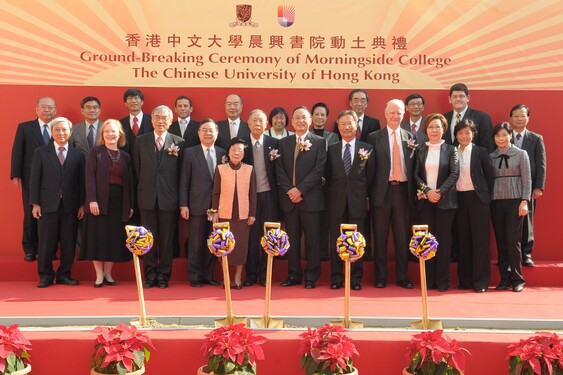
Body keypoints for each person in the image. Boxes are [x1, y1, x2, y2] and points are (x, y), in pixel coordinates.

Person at [29, 117, 85, 288]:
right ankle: (45, 275)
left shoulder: (78, 154)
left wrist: (82, 204)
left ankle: (64, 274)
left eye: (64, 130)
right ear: (52, 133)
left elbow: (81, 182)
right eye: (57, 130)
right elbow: (34, 179)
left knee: (69, 243)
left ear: (70, 132)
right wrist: (35, 203)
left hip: (71, 206)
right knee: (46, 242)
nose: (61, 133)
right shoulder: (40, 152)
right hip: (47, 205)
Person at [275, 105, 327, 289]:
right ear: (292, 121)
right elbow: (279, 169)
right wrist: (291, 190)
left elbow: (319, 169)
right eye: (296, 117)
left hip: (311, 199)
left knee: (312, 240)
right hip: (290, 200)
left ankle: (312, 276)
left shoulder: (320, 142)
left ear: (310, 120)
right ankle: (294, 274)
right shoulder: (284, 143)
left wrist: (301, 190)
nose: (300, 121)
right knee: (292, 239)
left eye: (304, 117)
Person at [133, 105, 185, 289]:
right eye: (157, 117)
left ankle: (164, 275)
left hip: (168, 198)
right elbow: (136, 171)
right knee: (147, 237)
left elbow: (181, 174)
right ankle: (150, 274)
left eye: (165, 117)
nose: (161, 121)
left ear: (171, 121)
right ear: (152, 120)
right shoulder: (141, 141)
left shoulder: (179, 142)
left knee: (167, 239)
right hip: (146, 197)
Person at [79, 119, 134, 287]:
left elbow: (130, 182)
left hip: (119, 203)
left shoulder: (125, 156)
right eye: (107, 131)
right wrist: (92, 200)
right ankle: (99, 276)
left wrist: (130, 205)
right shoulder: (95, 152)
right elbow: (89, 178)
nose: (110, 134)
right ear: (102, 135)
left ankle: (109, 274)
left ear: (120, 135)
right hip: (99, 202)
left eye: (114, 131)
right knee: (98, 238)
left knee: (113, 239)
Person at [367, 99, 415, 289]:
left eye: (399, 113)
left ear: (404, 115)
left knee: (402, 236)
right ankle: (380, 277)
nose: (395, 116)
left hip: (403, 192)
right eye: (392, 113)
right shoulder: (374, 137)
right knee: (380, 236)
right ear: (385, 114)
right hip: (382, 192)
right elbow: (369, 170)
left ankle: (403, 276)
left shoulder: (410, 137)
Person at [326, 110, 374, 290]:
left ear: (356, 126)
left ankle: (355, 278)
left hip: (358, 201)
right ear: (338, 127)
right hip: (336, 202)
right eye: (342, 124)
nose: (346, 127)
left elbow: (371, 177)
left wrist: (367, 198)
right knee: (337, 240)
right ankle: (337, 277)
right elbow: (328, 176)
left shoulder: (367, 149)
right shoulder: (331, 149)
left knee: (357, 239)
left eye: (349, 124)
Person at [414, 113, 460, 292]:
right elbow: (415, 174)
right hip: (425, 202)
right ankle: (428, 280)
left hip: (445, 202)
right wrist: (427, 191)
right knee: (426, 241)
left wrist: (439, 193)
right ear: (426, 129)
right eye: (431, 127)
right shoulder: (420, 150)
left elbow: (454, 174)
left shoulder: (451, 150)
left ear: (443, 129)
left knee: (443, 241)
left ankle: (442, 281)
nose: (434, 130)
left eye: (438, 127)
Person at [180, 119, 227, 288]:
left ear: (216, 134)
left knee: (212, 241)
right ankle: (194, 276)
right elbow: (184, 180)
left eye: (211, 130)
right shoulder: (190, 153)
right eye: (204, 130)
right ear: (199, 134)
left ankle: (208, 275)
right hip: (196, 204)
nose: (208, 133)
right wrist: (183, 204)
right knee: (195, 242)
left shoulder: (223, 153)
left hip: (216, 206)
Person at [11, 97, 57, 262]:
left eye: (50, 108)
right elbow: (17, 151)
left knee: (51, 216)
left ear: (55, 110)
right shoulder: (25, 127)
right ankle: (30, 249)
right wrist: (16, 174)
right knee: (30, 214)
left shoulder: (60, 128)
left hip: (54, 180)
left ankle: (49, 250)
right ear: (36, 109)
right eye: (44, 107)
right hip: (31, 178)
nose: (47, 110)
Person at [490, 122, 532, 292]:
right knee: (501, 242)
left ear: (510, 135)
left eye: (504, 135)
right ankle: (504, 278)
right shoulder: (490, 156)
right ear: (494, 138)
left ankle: (518, 278)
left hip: (515, 201)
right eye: (498, 135)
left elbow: (527, 179)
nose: (501, 138)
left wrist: (525, 201)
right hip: (496, 201)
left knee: (512, 240)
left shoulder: (521, 154)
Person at [211, 138, 257, 289]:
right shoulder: (220, 168)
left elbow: (252, 194)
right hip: (224, 212)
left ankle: (237, 276)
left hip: (243, 214)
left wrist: (252, 213)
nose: (237, 152)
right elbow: (215, 192)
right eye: (234, 150)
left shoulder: (249, 169)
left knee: (241, 246)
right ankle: (226, 276)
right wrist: (214, 212)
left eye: (240, 150)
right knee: (224, 245)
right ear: (229, 152)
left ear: (244, 154)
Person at [454, 120, 493, 293]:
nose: (464, 136)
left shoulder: (481, 152)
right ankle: (465, 280)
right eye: (461, 133)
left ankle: (481, 281)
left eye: (468, 133)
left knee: (480, 242)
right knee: (463, 240)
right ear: (456, 135)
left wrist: (486, 198)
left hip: (478, 200)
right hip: (459, 200)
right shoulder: (451, 151)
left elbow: (490, 177)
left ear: (473, 134)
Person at [242, 109, 279, 287]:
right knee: (251, 236)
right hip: (248, 197)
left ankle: (266, 274)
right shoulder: (241, 144)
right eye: (254, 120)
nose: (257, 124)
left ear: (266, 124)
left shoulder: (275, 143)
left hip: (269, 195)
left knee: (268, 235)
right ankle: (251, 274)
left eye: (261, 121)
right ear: (248, 123)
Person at [509, 104, 546, 267]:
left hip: (528, 187)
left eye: (522, 115)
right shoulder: (503, 135)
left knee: (527, 221)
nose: (519, 118)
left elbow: (541, 164)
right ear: (510, 119)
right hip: (508, 186)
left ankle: (526, 254)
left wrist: (539, 187)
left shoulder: (536, 138)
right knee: (510, 222)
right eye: (516, 116)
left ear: (528, 118)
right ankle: (510, 256)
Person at [311, 102, 338, 262]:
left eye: (322, 115)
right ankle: (312, 253)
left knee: (326, 220)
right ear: (312, 116)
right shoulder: (305, 135)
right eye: (316, 114)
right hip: (310, 185)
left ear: (326, 117)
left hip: (328, 184)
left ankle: (323, 252)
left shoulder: (333, 136)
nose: (319, 117)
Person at [443, 83, 494, 152]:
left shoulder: (482, 118)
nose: (458, 99)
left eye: (461, 96)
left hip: (473, 161)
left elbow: (488, 146)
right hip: (448, 161)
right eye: (455, 96)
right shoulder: (443, 119)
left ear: (468, 98)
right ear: (450, 99)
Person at [119, 88, 152, 158]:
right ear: (125, 103)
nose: (133, 101)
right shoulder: (120, 124)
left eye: (136, 98)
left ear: (142, 102)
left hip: (147, 163)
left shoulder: (152, 121)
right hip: (127, 164)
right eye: (130, 98)